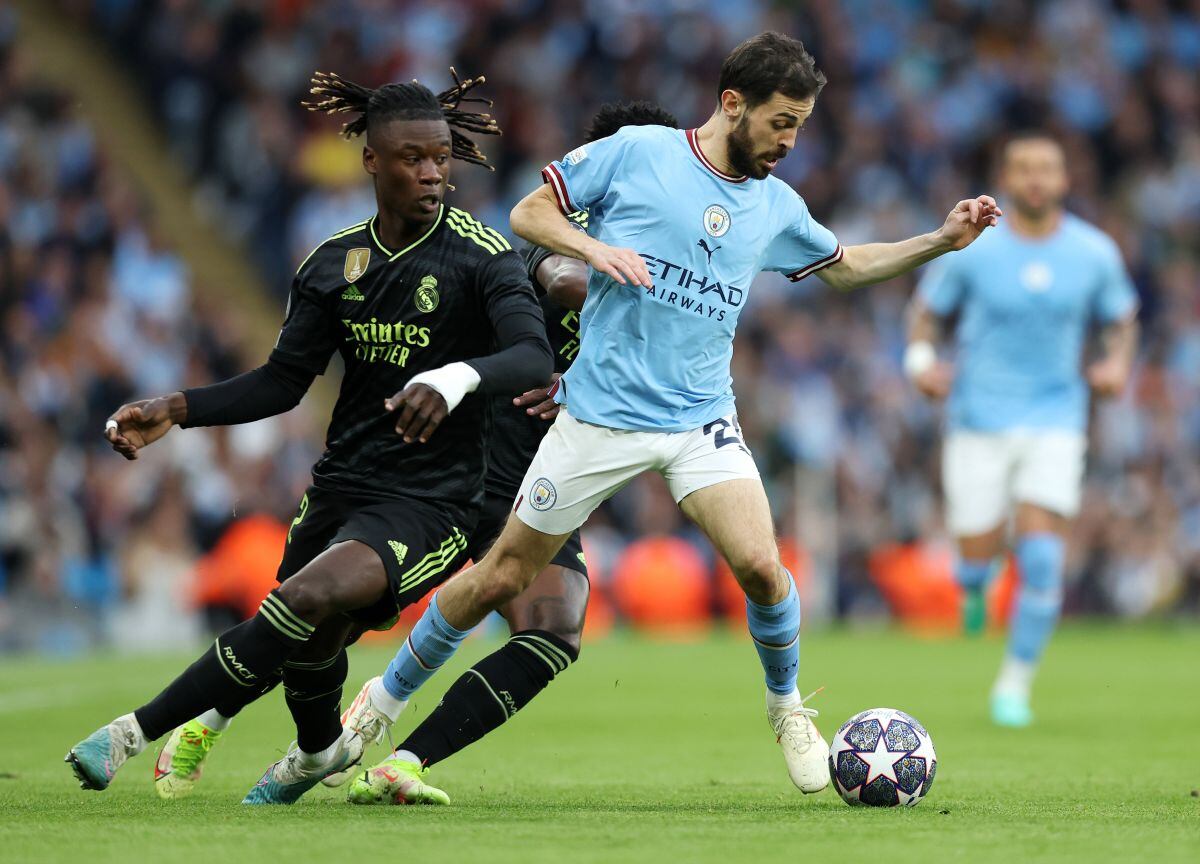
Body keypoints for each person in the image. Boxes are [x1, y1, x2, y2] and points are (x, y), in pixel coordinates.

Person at [347, 30, 1001, 802]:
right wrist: (594, 250)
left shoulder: (774, 206)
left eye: (800, 123)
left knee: (762, 567)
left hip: (699, 419)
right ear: (733, 104)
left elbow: (846, 268)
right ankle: (377, 707)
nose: (791, 140)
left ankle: (787, 707)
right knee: (502, 577)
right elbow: (529, 214)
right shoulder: (639, 152)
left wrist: (941, 240)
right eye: (781, 121)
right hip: (600, 415)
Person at [65, 69, 553, 805]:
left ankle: (131, 732)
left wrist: (454, 378)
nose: (432, 173)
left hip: (434, 499)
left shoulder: (483, 255)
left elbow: (530, 356)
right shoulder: (332, 264)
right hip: (340, 485)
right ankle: (321, 749)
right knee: (309, 645)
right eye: (414, 158)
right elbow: (281, 382)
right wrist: (178, 406)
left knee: (308, 595)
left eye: (442, 158)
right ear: (372, 162)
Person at [331, 102, 680, 806]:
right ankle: (233, 716)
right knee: (341, 611)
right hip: (477, 463)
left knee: (551, 633)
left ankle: (402, 756)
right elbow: (560, 281)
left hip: (547, 475)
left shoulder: (663, 250)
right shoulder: (568, 232)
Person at [906, 131, 1138, 728]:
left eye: (1047, 168)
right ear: (1006, 179)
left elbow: (1121, 320)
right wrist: (922, 364)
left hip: (1055, 420)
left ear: (1064, 179)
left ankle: (1013, 685)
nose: (1036, 178)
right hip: (977, 421)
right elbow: (927, 312)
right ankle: (976, 581)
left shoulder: (1094, 252)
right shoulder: (976, 251)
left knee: (1040, 558)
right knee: (975, 559)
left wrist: (1116, 363)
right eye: (1024, 168)